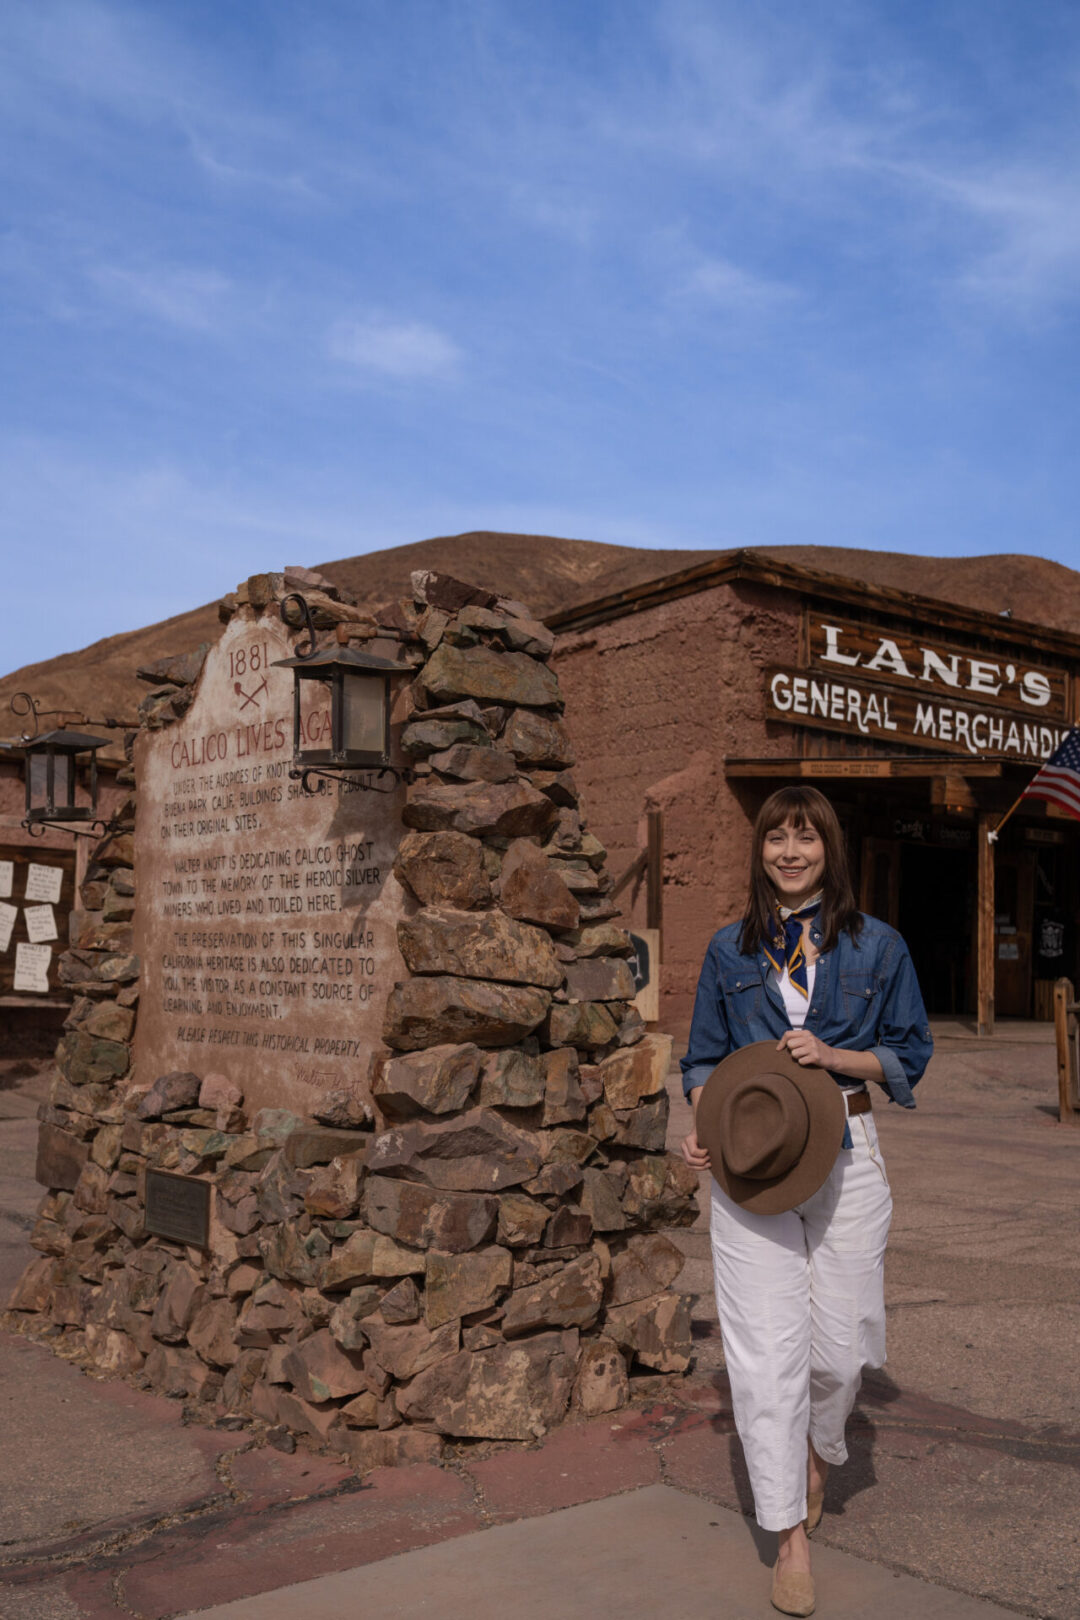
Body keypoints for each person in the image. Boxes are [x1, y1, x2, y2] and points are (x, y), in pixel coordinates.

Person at [680, 786, 932, 1617]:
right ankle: (789, 1533)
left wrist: (832, 1054)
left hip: (848, 1153)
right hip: (753, 1167)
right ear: (760, 851)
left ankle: (819, 1453)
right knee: (764, 1355)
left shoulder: (878, 946)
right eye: (776, 838)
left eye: (805, 837)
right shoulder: (728, 949)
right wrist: (705, 1122)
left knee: (843, 1347)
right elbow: (703, 1061)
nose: (790, 852)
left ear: (830, 847)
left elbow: (909, 1055)